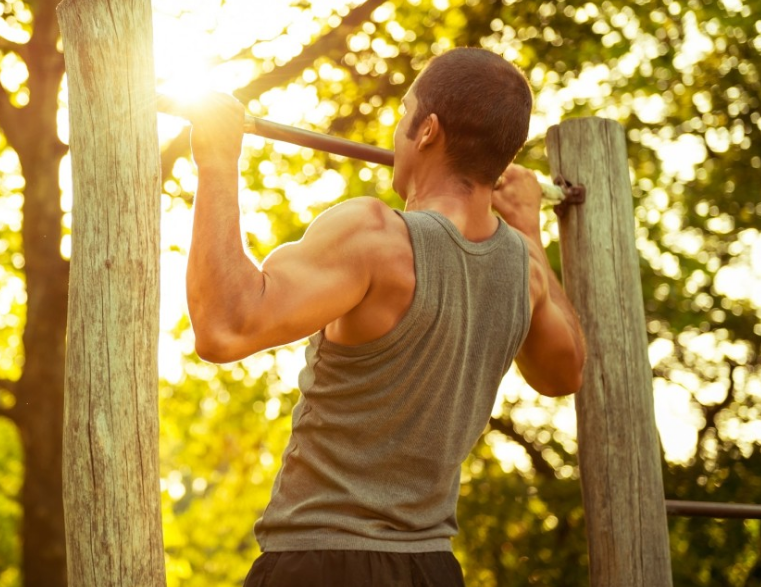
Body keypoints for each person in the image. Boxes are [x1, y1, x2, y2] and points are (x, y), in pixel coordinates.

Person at [181, 47, 586, 587]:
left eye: (403, 116)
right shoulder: (525, 272)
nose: (396, 135)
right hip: (433, 570)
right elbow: (565, 373)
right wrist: (530, 230)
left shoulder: (375, 237)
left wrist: (216, 161)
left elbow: (223, 328)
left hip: (320, 566)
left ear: (428, 131)